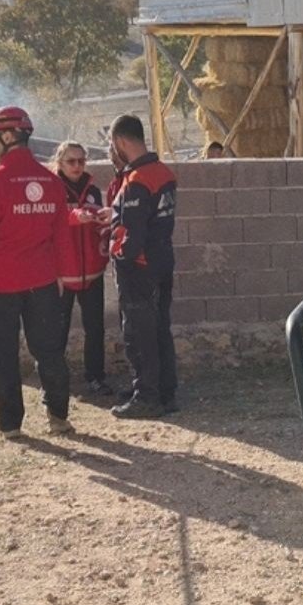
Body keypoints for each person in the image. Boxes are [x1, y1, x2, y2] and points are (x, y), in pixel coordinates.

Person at [0, 107, 74, 441]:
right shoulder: (51, 181)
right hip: (42, 282)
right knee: (50, 350)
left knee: (4, 354)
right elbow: (62, 236)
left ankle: (10, 425)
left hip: (1, 285)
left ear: (8, 136)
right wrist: (64, 274)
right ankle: (58, 417)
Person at [101, 115, 178, 418]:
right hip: (162, 259)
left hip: (139, 266)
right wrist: (115, 213)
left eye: (112, 145)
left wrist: (114, 250)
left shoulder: (136, 180)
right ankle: (165, 391)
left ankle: (146, 396)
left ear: (120, 142)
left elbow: (130, 237)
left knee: (138, 331)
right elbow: (148, 216)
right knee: (159, 327)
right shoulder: (164, 172)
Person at [51, 140, 113, 397]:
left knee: (95, 328)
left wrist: (102, 220)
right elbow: (48, 224)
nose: (77, 166)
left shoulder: (93, 189)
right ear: (60, 163)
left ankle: (95, 377)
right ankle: (53, 379)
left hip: (91, 272)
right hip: (62, 274)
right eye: (71, 161)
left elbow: (98, 227)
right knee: (57, 330)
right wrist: (74, 217)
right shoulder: (51, 188)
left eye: (81, 160)